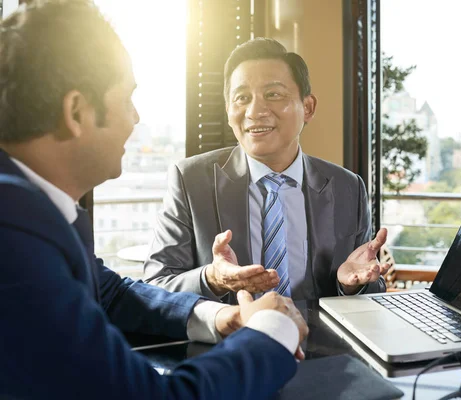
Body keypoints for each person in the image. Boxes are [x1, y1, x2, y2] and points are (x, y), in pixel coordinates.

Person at [0, 1, 308, 399]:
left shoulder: (28, 210)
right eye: (127, 100)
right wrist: (272, 331)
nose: (136, 119)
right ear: (76, 111)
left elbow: (109, 293)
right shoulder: (13, 234)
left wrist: (222, 317)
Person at [143, 38, 391, 304]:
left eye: (273, 95)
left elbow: (369, 287)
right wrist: (212, 279)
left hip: (321, 344)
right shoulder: (190, 181)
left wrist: (351, 287)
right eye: (242, 98)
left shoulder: (347, 187)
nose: (255, 111)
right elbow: (155, 287)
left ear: (308, 107)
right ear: (228, 110)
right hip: (231, 342)